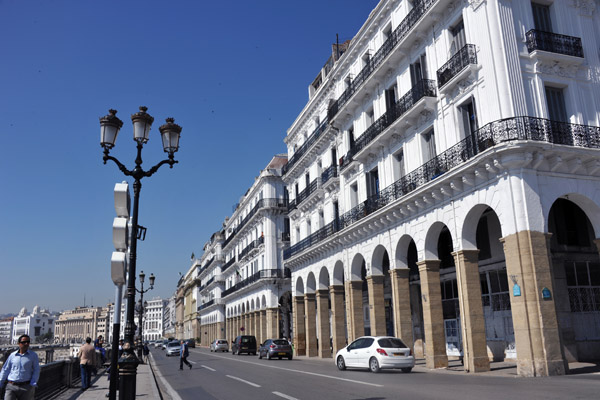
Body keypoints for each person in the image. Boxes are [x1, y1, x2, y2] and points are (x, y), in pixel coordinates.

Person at [0, 334, 40, 400]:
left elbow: (36, 369)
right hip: (11, 386)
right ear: (19, 343)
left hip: (26, 386)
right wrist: (1, 382)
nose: (26, 344)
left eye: (28, 342)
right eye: (23, 342)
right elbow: (5, 369)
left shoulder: (33, 355)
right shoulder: (12, 355)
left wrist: (33, 383)